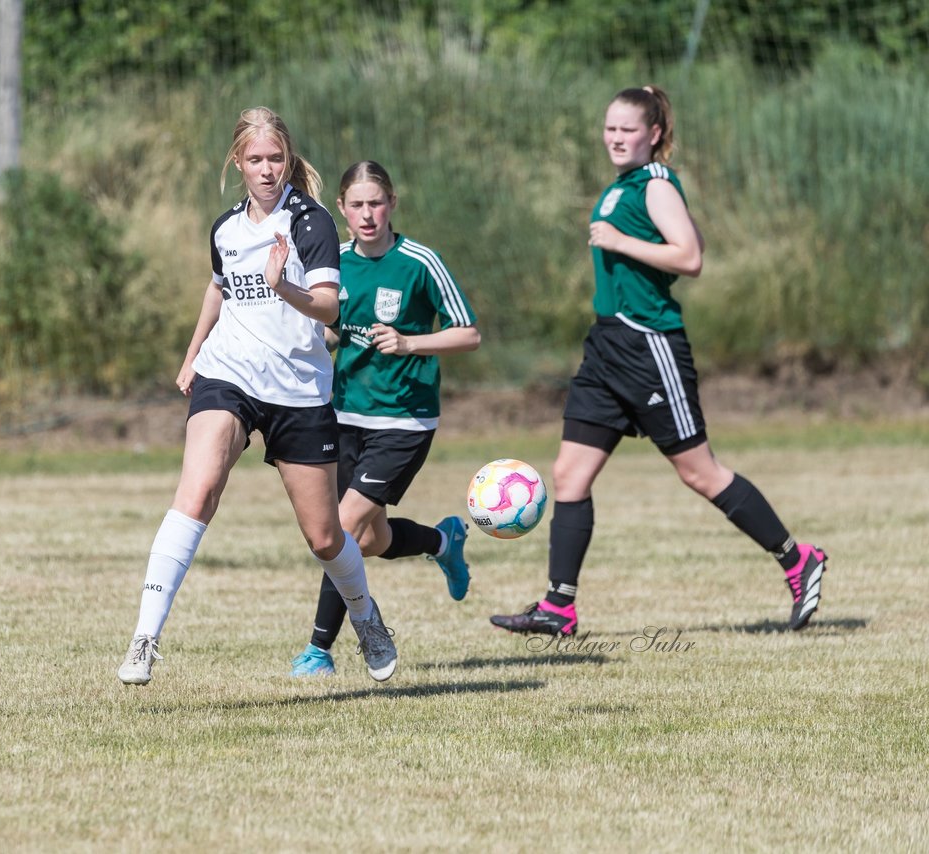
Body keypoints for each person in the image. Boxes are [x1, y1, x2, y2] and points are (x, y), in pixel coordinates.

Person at [491, 86, 827, 638]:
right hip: (606, 347)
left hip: (650, 347)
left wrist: (621, 241)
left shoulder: (656, 184)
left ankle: (798, 559)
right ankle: (559, 607)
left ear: (654, 135)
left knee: (700, 472)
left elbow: (689, 257)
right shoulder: (620, 185)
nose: (616, 138)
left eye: (628, 129)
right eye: (610, 128)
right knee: (569, 474)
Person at [117, 107, 398, 686]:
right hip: (230, 376)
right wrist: (193, 355)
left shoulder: (312, 221)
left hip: (297, 390)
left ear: (288, 160)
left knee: (324, 536)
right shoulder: (224, 227)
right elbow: (217, 291)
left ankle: (366, 617)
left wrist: (282, 287)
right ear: (237, 163)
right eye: (255, 160)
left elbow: (328, 307)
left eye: (276, 159)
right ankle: (145, 637)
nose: (267, 170)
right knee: (197, 491)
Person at [290, 161, 480, 678]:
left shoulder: (419, 262)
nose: (367, 214)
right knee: (369, 541)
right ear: (342, 211)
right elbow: (332, 330)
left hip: (404, 421)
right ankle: (443, 542)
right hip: (343, 417)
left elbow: (468, 333)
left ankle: (318, 650)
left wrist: (410, 342)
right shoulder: (337, 264)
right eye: (357, 205)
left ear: (392, 203)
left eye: (376, 203)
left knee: (341, 530)